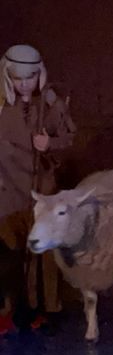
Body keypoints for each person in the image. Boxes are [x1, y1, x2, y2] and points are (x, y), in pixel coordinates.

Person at [0, 44, 75, 334]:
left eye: (30, 77)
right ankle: (12, 309)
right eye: (17, 78)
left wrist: (50, 144)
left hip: (40, 188)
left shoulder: (50, 103)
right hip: (7, 190)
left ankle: (45, 308)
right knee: (10, 251)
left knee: (43, 252)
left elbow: (69, 136)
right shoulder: (2, 105)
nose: (24, 84)